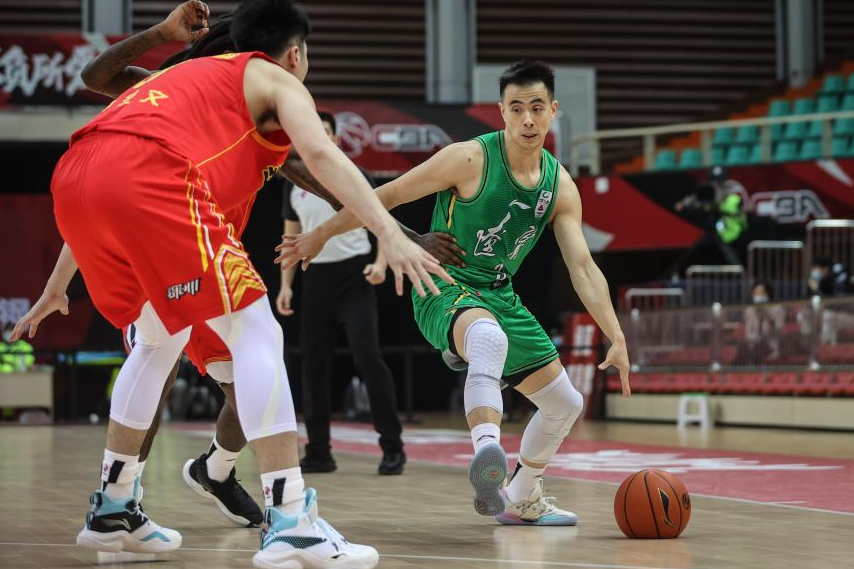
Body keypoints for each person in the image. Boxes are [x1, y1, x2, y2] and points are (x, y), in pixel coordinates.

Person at [14, 0, 462, 531]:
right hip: (166, 218)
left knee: (212, 372)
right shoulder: (216, 85)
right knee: (243, 344)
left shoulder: (230, 113)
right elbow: (109, 109)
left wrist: (57, 285)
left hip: (107, 194)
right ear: (293, 54)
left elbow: (110, 191)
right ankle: (289, 520)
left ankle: (164, 489)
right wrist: (394, 235)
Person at [277, 60, 631, 526]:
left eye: (536, 107)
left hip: (500, 294)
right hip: (444, 285)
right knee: (488, 338)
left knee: (565, 404)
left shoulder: (559, 185)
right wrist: (320, 235)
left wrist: (616, 335)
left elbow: (582, 267)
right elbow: (385, 196)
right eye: (517, 108)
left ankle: (521, 495)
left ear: (553, 111)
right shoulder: (468, 158)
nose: (527, 119)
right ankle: (487, 455)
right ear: (501, 111)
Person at [278, 110, 406, 475]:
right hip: (315, 278)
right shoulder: (294, 183)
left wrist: (380, 263)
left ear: (334, 139)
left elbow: (383, 222)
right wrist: (285, 285)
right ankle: (319, 452)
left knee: (368, 356)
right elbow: (291, 236)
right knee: (313, 364)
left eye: (325, 132)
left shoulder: (354, 175)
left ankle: (393, 447)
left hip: (354, 277)